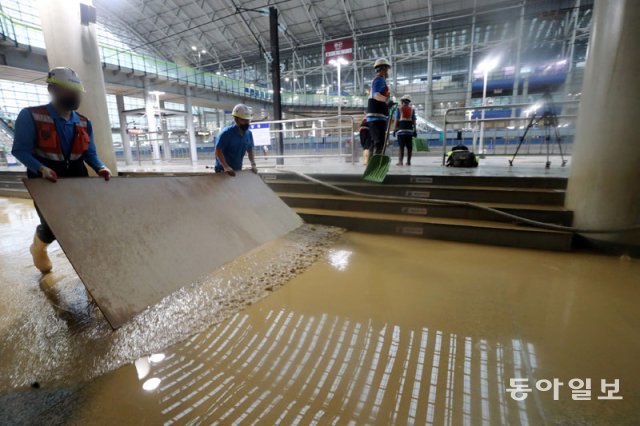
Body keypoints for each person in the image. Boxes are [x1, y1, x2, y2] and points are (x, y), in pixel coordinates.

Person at [11, 67, 111, 274]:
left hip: (77, 176)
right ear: (52, 89)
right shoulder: (31, 116)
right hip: (45, 179)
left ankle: (90, 269)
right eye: (68, 90)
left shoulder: (84, 122)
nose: (74, 95)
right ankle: (38, 248)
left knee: (85, 223)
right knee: (52, 226)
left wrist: (100, 167)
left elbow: (89, 153)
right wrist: (41, 168)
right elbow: (20, 150)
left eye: (76, 91)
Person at [214, 103, 257, 176]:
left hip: (237, 169)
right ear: (236, 119)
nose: (246, 123)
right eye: (243, 120)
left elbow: (250, 149)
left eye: (247, 120)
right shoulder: (226, 133)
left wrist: (253, 163)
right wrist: (226, 167)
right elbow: (218, 151)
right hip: (222, 170)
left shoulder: (249, 134)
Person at [366, 58, 394, 155]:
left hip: (376, 116)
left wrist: (388, 104)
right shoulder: (379, 79)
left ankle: (371, 164)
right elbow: (375, 95)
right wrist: (387, 100)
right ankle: (376, 165)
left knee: (375, 142)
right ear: (383, 69)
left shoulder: (379, 80)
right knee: (379, 143)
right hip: (376, 117)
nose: (387, 71)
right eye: (386, 69)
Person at [393, 94, 417, 166]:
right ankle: (408, 162)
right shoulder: (412, 109)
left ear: (402, 101)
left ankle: (400, 162)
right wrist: (415, 130)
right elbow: (414, 121)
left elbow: (396, 120)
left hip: (401, 131)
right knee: (409, 147)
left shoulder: (399, 109)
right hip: (409, 131)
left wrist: (394, 129)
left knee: (401, 147)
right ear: (408, 102)